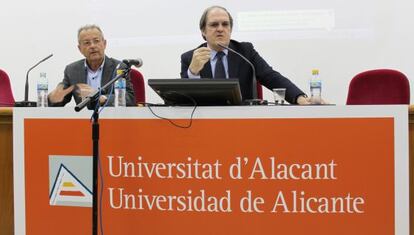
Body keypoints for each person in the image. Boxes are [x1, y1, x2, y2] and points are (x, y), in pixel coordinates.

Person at [180, 6, 312, 105]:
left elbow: (271, 76)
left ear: (230, 29)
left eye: (225, 24)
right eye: (214, 25)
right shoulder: (190, 58)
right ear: (203, 31)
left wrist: (299, 97)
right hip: (206, 123)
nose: (220, 29)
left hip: (242, 121)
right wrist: (193, 73)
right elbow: (186, 101)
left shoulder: (245, 51)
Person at [48, 24, 135, 106]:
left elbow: (129, 99)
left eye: (96, 41)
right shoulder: (72, 70)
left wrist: (102, 98)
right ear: (80, 49)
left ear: (104, 44)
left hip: (113, 119)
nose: (92, 46)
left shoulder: (119, 67)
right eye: (87, 43)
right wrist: (52, 98)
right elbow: (59, 100)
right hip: (83, 120)